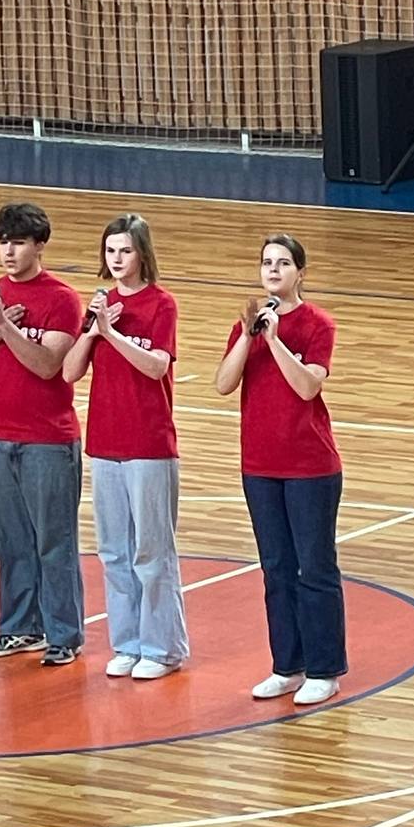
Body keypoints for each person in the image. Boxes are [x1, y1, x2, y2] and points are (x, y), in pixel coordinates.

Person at [214, 232, 346, 706]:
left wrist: (274, 341)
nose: (273, 270)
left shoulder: (317, 324)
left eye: (283, 263)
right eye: (267, 262)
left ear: (300, 272)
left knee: (315, 567)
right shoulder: (248, 325)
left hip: (310, 466)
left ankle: (325, 669)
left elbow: (307, 386)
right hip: (260, 465)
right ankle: (287, 665)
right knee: (276, 568)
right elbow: (223, 384)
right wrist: (249, 337)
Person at [63, 214, 188, 680]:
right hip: (105, 442)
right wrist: (93, 330)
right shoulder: (100, 307)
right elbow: (70, 372)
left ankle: (162, 648)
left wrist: (113, 335)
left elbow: (156, 367)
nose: (117, 259)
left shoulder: (161, 305)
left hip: (148, 444)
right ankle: (127, 643)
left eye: (125, 251)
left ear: (142, 254)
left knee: (152, 553)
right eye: (110, 251)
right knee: (114, 551)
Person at [0, 202, 84, 667]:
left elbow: (48, 364)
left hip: (48, 440)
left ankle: (64, 634)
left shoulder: (61, 299)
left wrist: (3, 326)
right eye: (2, 243)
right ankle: (19, 628)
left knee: (53, 541)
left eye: (17, 243)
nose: (8, 252)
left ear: (39, 246)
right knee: (10, 541)